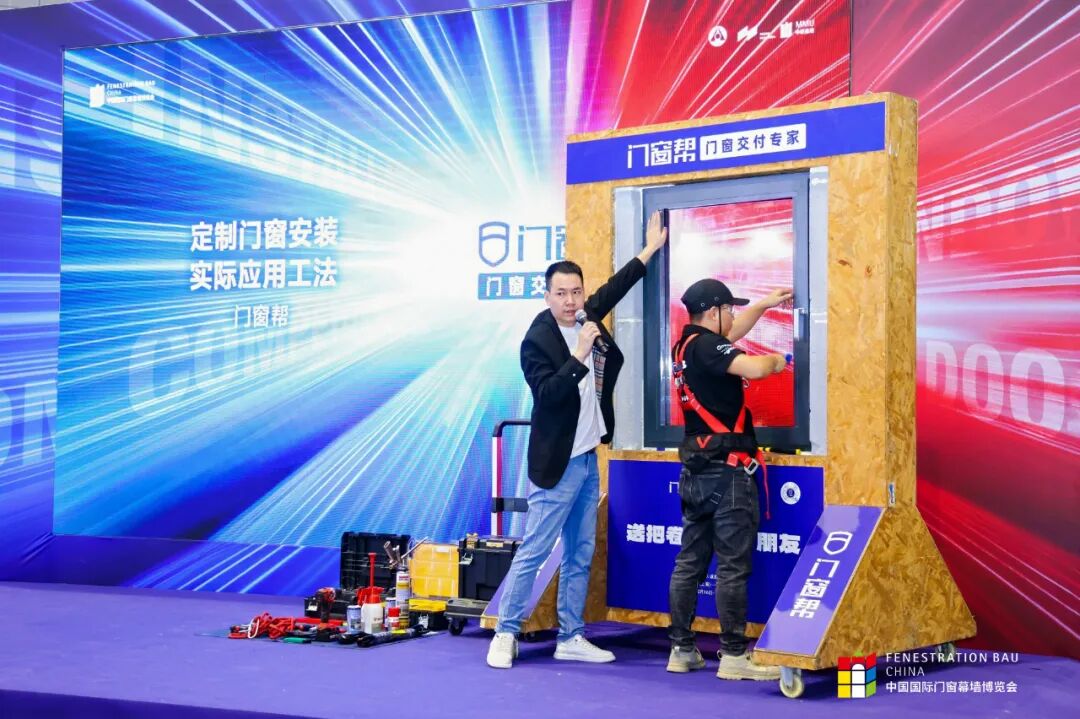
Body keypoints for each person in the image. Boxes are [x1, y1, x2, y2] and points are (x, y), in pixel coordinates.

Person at [486, 211, 668, 669]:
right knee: (534, 549)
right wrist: (580, 355)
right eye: (561, 293)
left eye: (576, 292)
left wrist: (650, 249)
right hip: (557, 462)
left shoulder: (587, 315)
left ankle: (570, 635)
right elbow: (548, 395)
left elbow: (615, 287)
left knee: (581, 552)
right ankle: (505, 633)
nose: (571, 302)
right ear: (546, 296)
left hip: (587, 459)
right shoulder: (537, 340)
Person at [665, 278, 792, 680]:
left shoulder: (687, 347)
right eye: (729, 310)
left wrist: (764, 304)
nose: (734, 317)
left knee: (690, 563)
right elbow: (754, 367)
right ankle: (734, 656)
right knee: (733, 567)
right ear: (713, 312)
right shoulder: (707, 347)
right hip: (729, 472)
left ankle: (681, 650)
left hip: (697, 472)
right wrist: (780, 360)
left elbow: (731, 335)